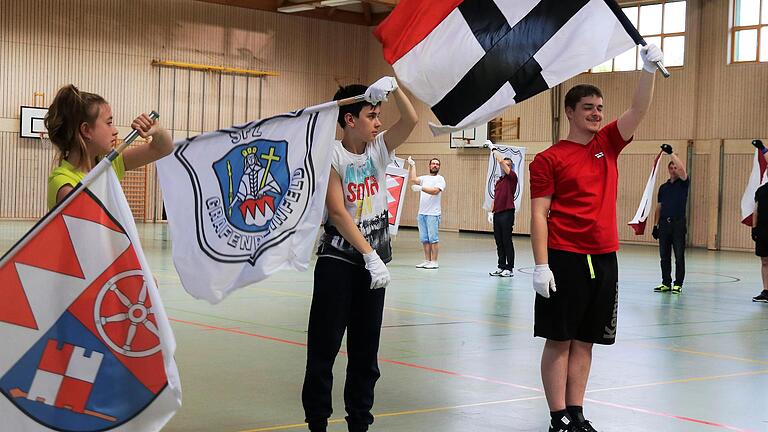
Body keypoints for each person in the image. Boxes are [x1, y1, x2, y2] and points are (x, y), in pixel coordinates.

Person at [528, 44, 663, 432]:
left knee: (586, 340)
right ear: (570, 112)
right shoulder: (549, 159)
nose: (596, 114)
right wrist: (541, 265)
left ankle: (577, 411)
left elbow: (637, 111)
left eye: (599, 108)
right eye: (588, 107)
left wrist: (648, 72)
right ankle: (558, 417)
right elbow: (539, 213)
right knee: (559, 339)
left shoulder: (608, 144)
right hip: (565, 257)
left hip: (604, 257)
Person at [303, 77, 417, 432]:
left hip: (374, 266)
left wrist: (395, 87)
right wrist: (368, 253)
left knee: (366, 351)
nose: (378, 122)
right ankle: (318, 421)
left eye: (379, 114)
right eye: (371, 115)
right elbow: (337, 212)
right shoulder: (331, 155)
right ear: (350, 119)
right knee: (324, 347)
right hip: (339, 261)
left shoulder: (379, 149)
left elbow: (411, 121)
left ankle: (359, 421)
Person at [46, 84, 173, 209]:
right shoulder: (64, 184)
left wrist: (157, 130)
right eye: (109, 123)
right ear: (86, 130)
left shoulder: (109, 164)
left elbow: (163, 148)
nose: (115, 130)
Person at [651, 144, 689, 294]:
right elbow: (659, 206)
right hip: (664, 225)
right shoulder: (663, 188)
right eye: (671, 168)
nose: (674, 170)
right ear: (668, 169)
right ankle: (665, 282)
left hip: (678, 224)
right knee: (664, 256)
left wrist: (671, 154)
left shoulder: (684, 183)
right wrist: (655, 225)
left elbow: (682, 170)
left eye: (676, 168)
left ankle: (678, 283)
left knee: (679, 256)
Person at [407, 156, 445, 269]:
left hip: (433, 214)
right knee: (424, 239)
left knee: (433, 239)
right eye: (433, 163)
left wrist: (421, 188)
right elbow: (413, 179)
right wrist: (412, 165)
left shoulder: (440, 179)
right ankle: (427, 260)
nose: (435, 165)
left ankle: (434, 261)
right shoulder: (424, 178)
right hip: (422, 213)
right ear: (429, 166)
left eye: (437, 164)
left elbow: (435, 191)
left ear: (439, 167)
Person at [487, 143, 517, 277]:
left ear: (510, 167)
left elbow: (501, 161)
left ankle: (509, 268)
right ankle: (501, 266)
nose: (503, 166)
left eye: (506, 165)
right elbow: (496, 198)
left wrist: (493, 149)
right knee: (499, 241)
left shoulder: (512, 177)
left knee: (506, 240)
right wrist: (491, 211)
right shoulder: (499, 181)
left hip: (507, 213)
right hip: (497, 214)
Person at [751, 139, 768, 303]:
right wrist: (754, 228)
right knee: (764, 260)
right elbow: (755, 210)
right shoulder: (761, 190)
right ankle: (766, 290)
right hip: (762, 230)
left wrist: (762, 149)